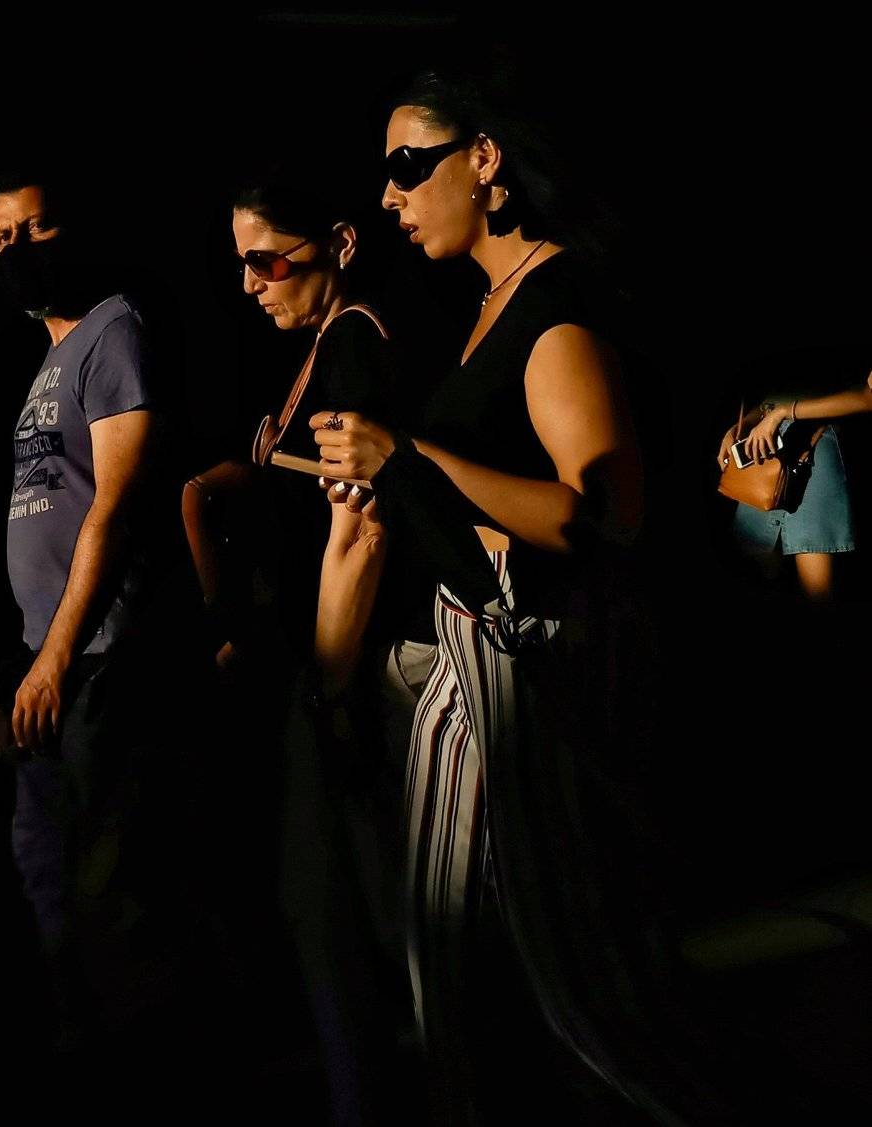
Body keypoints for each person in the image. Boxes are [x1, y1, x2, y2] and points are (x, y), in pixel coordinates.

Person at [310, 68, 683, 1121]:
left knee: (578, 990)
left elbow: (599, 514)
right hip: (475, 652)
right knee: (457, 962)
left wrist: (409, 457)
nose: (391, 195)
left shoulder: (553, 308)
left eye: (408, 165)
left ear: (483, 160)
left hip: (533, 664)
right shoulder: (493, 304)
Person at [221, 167, 431, 1123]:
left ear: (340, 244)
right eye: (242, 264)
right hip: (329, 669)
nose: (252, 282)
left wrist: (329, 691)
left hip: (361, 673)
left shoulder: (354, 345)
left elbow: (362, 534)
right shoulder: (324, 350)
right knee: (344, 914)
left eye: (267, 260)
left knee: (356, 915)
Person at [0, 170, 201, 1084]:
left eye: (35, 228)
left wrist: (59, 656)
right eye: (2, 237)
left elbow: (116, 502)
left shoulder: (113, 328)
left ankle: (148, 1071)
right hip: (50, 662)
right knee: (45, 871)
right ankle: (85, 1067)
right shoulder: (48, 357)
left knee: (114, 890)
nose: (19, 249)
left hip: (101, 656)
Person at [718, 372, 870, 600]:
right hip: (765, 443)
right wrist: (739, 427)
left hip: (818, 441)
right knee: (756, 562)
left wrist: (783, 413)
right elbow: (770, 399)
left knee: (815, 578)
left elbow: (867, 397)